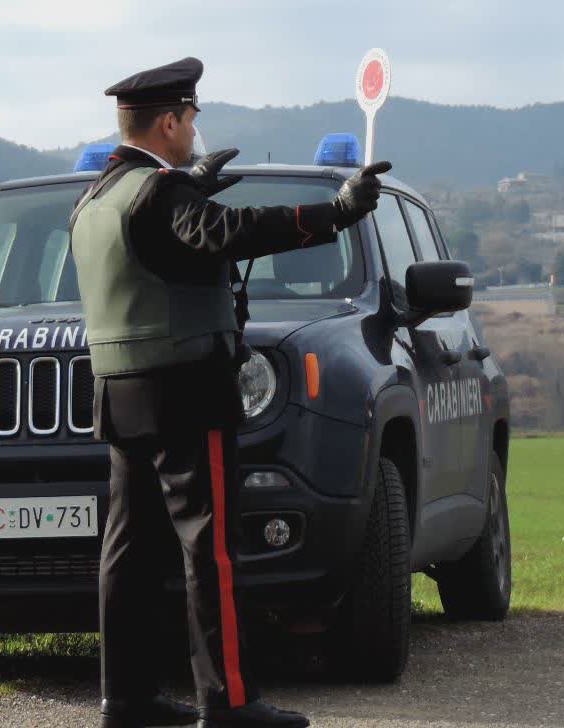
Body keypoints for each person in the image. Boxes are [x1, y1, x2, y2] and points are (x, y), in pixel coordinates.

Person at [70, 56, 390, 728]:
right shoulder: (162, 192)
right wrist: (332, 214)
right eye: (189, 119)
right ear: (167, 122)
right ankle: (229, 700)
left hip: (121, 392)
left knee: (126, 551)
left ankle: (123, 699)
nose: (194, 129)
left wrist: (187, 184)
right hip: (186, 388)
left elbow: (159, 250)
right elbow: (225, 233)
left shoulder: (96, 197)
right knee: (209, 547)